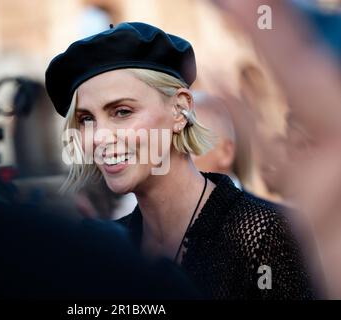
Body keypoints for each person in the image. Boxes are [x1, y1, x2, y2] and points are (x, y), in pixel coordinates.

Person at [45, 22, 315, 299]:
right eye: (86, 119)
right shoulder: (106, 247)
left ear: (180, 109)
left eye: (122, 112)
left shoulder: (266, 233)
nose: (99, 137)